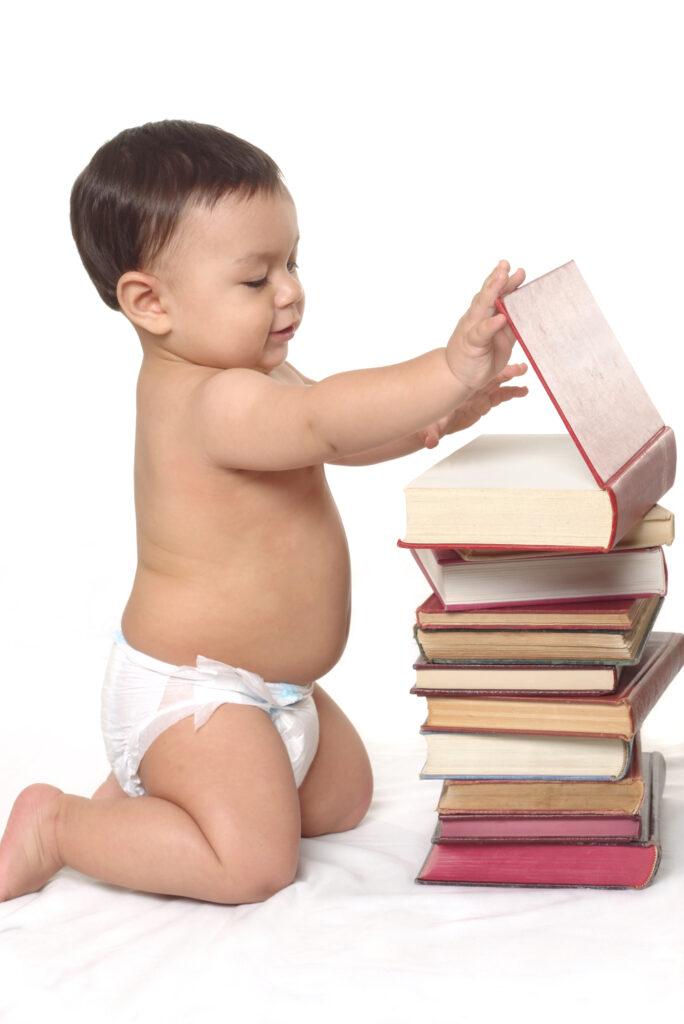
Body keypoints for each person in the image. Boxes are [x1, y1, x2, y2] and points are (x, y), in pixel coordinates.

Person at [0, 120, 527, 904]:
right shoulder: (215, 400)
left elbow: (333, 440)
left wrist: (434, 420)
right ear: (150, 302)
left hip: (275, 691)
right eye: (256, 279)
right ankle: (59, 825)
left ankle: (154, 793)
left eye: (293, 261)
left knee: (341, 801)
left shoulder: (250, 377)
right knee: (253, 866)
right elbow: (325, 420)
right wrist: (447, 370)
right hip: (199, 692)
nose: (290, 291)